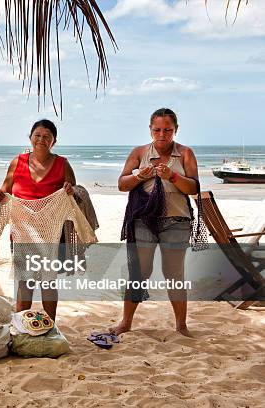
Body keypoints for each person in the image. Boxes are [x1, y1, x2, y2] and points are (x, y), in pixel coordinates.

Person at [110, 108, 199, 337]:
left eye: (168, 130)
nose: (162, 134)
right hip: (143, 221)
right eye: (157, 129)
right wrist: (141, 176)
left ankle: (181, 325)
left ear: (175, 130)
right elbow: (122, 184)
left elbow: (194, 188)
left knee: (174, 273)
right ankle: (126, 322)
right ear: (150, 129)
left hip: (177, 221)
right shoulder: (139, 152)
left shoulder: (186, 154)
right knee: (140, 272)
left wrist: (173, 176)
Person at [0, 119, 75, 321]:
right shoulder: (17, 161)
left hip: (50, 234)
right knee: (24, 282)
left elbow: (74, 191)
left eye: (47, 136)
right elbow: (5, 190)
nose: (41, 139)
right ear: (30, 137)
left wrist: (71, 189)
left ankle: (51, 325)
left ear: (54, 141)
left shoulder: (63, 164)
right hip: (22, 232)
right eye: (37, 135)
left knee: (48, 282)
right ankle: (21, 325)